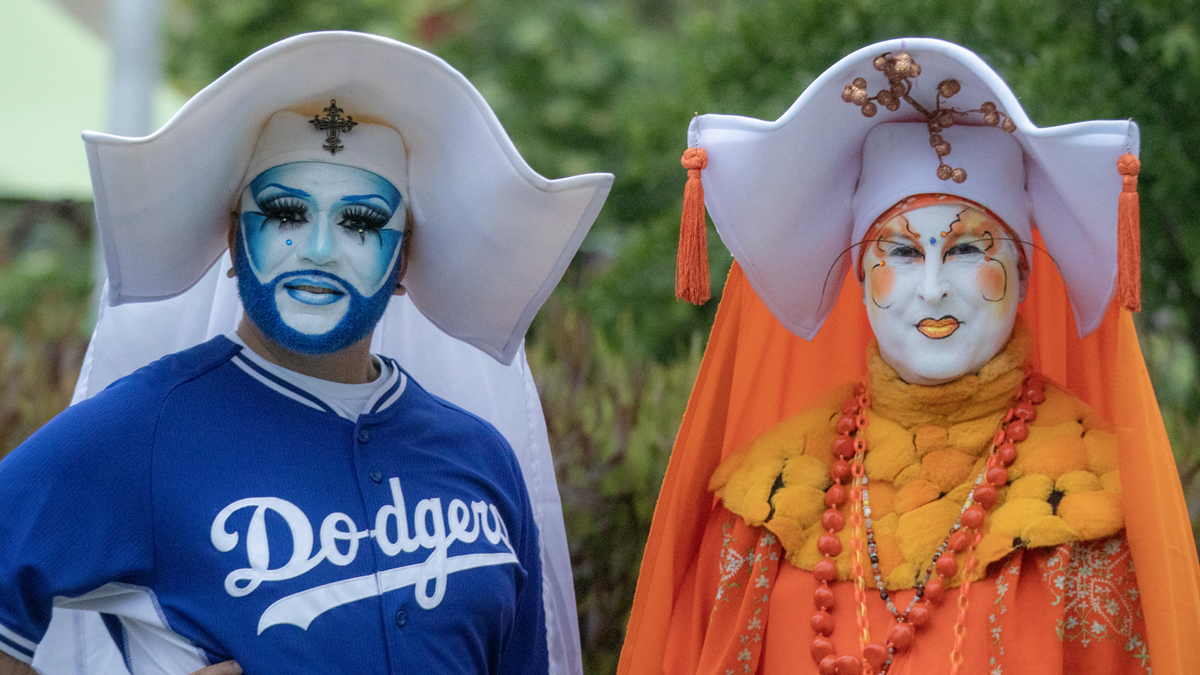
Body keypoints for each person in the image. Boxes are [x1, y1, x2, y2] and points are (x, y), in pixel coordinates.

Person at [0, 31, 612, 675]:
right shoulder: (146, 428)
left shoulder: (482, 457)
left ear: (404, 260)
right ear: (235, 244)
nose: (319, 248)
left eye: (361, 223)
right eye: (287, 215)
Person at [618, 38, 1200, 675]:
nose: (931, 289)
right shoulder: (769, 504)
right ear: (860, 277)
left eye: (968, 251)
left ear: (1025, 274)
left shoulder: (1097, 508)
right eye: (898, 253)